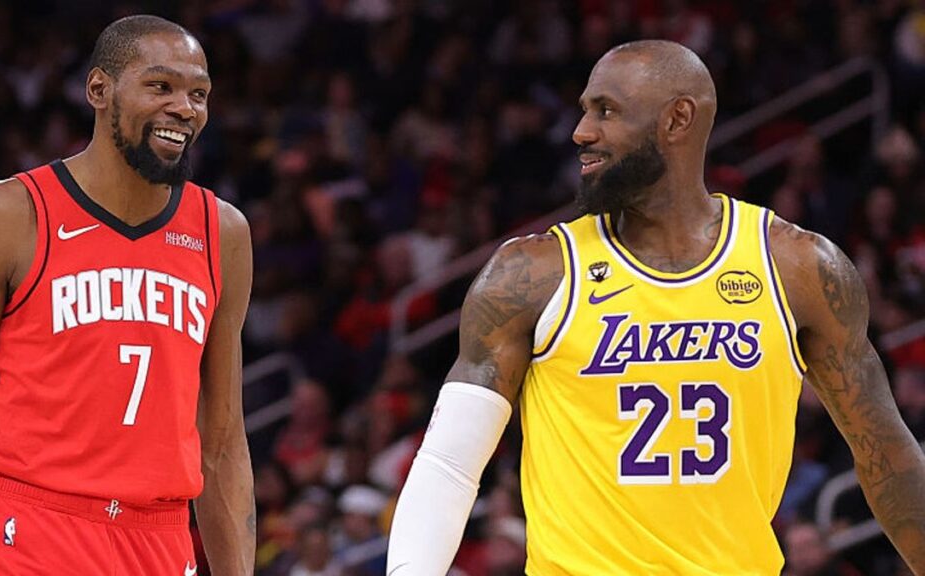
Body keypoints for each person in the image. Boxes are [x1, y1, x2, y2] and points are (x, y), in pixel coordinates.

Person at [386, 40, 925, 575]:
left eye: (606, 110)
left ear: (677, 119)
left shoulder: (798, 268)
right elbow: (449, 465)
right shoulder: (531, 275)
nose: (581, 132)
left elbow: (887, 457)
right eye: (583, 111)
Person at [0, 15, 256, 576]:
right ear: (99, 90)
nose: (184, 108)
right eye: (160, 86)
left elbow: (224, 445)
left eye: (199, 93)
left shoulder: (223, 234)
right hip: (33, 531)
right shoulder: (6, 216)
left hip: (159, 541)